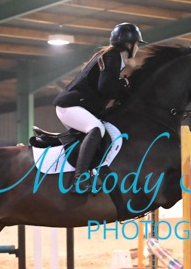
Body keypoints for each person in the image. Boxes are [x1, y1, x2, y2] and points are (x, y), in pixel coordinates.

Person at [53, 23, 146, 192]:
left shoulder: (113, 57)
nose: (138, 48)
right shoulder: (113, 56)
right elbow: (106, 88)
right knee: (96, 129)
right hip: (70, 106)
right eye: (137, 44)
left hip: (77, 105)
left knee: (102, 132)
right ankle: (80, 179)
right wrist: (125, 84)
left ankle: (92, 171)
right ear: (128, 44)